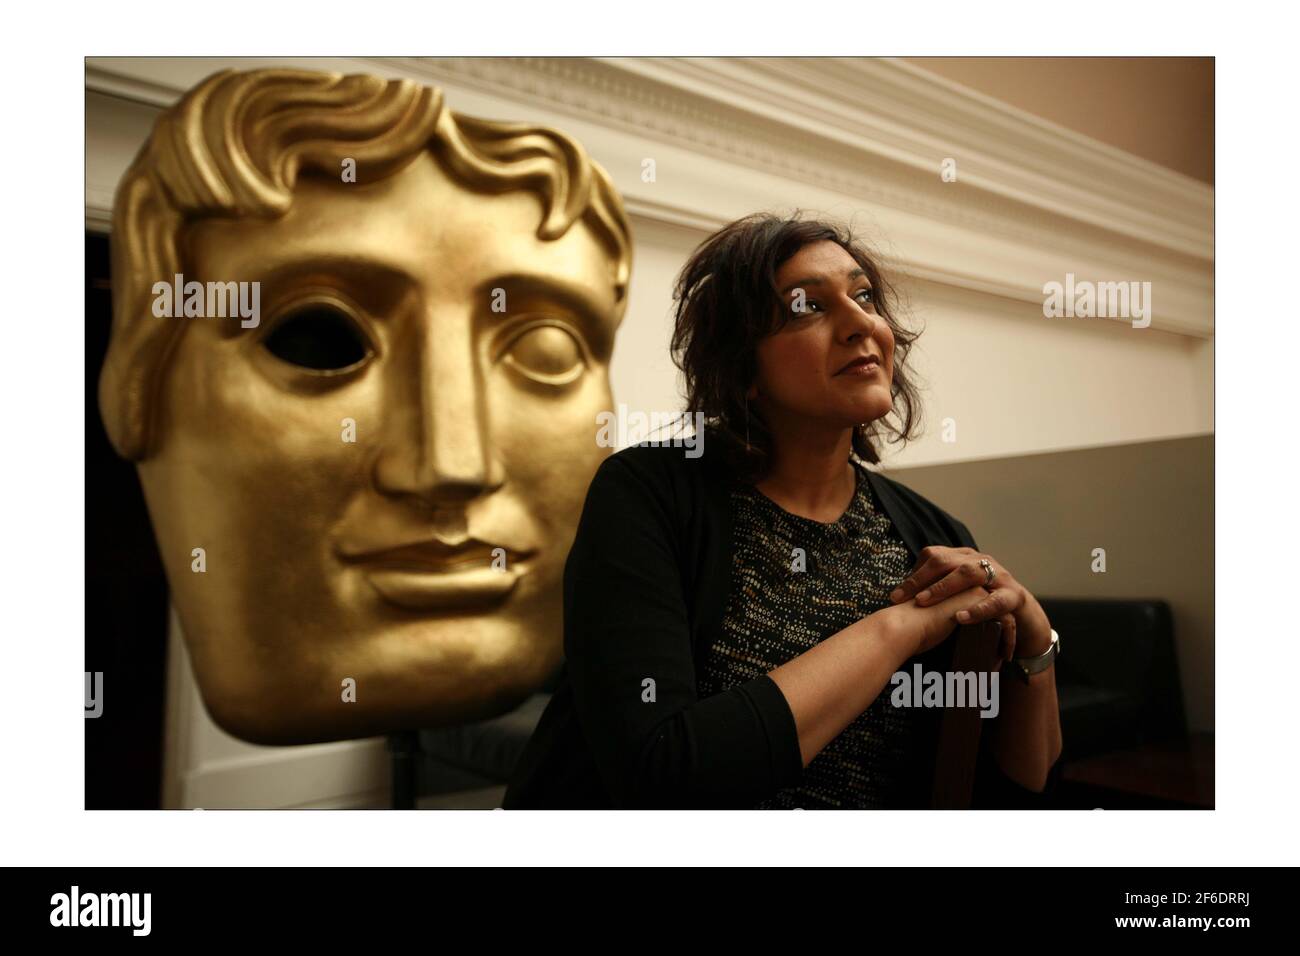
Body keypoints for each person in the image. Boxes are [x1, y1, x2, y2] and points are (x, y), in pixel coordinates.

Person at [503, 213, 1063, 809]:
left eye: (864, 295)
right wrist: (896, 629)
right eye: (807, 307)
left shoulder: (933, 535)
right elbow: (662, 771)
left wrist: (1035, 640)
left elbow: (1020, 781)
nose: (860, 323)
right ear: (743, 368)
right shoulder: (648, 493)